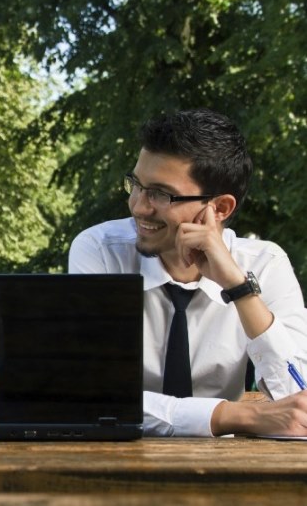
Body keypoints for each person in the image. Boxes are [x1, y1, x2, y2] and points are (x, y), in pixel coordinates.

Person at [68, 108, 307, 437]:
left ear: (219, 208)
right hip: (118, 459)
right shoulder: (100, 252)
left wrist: (239, 288)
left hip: (229, 469)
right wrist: (228, 416)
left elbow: (297, 400)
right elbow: (89, 395)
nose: (138, 206)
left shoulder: (265, 263)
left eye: (161, 194)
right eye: (136, 184)